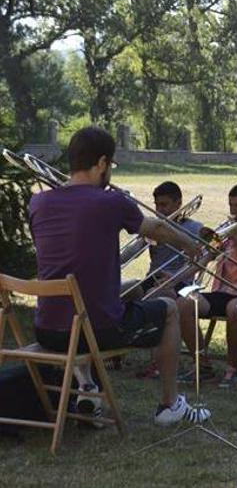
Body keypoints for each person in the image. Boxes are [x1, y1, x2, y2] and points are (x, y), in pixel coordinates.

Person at [28, 126, 209, 426]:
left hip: (47, 328)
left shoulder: (39, 203)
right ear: (100, 163)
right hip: (94, 330)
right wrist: (193, 246)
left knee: (119, 293)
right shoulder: (111, 202)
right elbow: (156, 228)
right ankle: (169, 404)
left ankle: (87, 386)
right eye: (109, 165)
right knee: (169, 310)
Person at [176, 182, 237, 388]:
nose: (233, 211)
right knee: (184, 302)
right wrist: (203, 249)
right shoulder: (225, 231)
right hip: (223, 292)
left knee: (235, 308)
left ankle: (232, 370)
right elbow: (204, 260)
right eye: (231, 205)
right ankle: (202, 365)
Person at [128, 181, 204, 379]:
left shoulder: (195, 228)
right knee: (120, 293)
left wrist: (174, 277)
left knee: (156, 298)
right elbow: (130, 255)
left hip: (180, 282)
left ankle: (161, 362)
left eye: (165, 205)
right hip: (153, 278)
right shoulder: (153, 226)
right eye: (157, 205)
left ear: (179, 203)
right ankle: (112, 352)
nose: (159, 210)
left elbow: (201, 260)